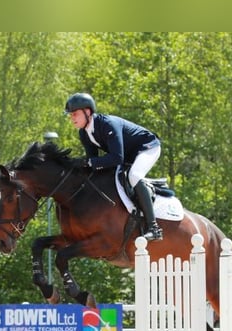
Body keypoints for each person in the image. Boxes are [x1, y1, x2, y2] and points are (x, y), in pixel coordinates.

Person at [64, 92, 163, 241]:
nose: (72, 118)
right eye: (71, 115)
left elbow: (117, 158)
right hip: (128, 155)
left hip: (147, 147)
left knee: (134, 175)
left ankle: (154, 228)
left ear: (88, 112)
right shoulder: (84, 133)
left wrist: (89, 163)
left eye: (75, 114)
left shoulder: (107, 124)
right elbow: (94, 162)